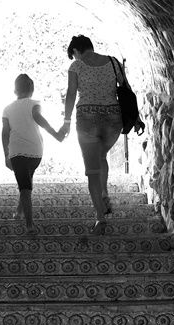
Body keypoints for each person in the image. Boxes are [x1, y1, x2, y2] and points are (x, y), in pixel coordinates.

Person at [58, 35, 144, 235]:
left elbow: (71, 93)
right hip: (113, 121)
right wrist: (136, 118)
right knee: (101, 156)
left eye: (74, 55)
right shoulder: (113, 62)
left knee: (92, 171)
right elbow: (127, 90)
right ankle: (104, 193)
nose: (75, 58)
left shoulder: (76, 66)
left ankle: (100, 218)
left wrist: (66, 122)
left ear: (76, 51)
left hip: (87, 119)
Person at [2, 74, 65, 234]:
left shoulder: (7, 109)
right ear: (32, 89)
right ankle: (19, 211)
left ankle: (29, 225)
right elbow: (39, 119)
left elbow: (5, 133)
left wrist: (6, 155)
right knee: (26, 182)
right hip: (35, 152)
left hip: (17, 152)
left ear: (15, 90)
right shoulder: (34, 103)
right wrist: (56, 134)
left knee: (25, 186)